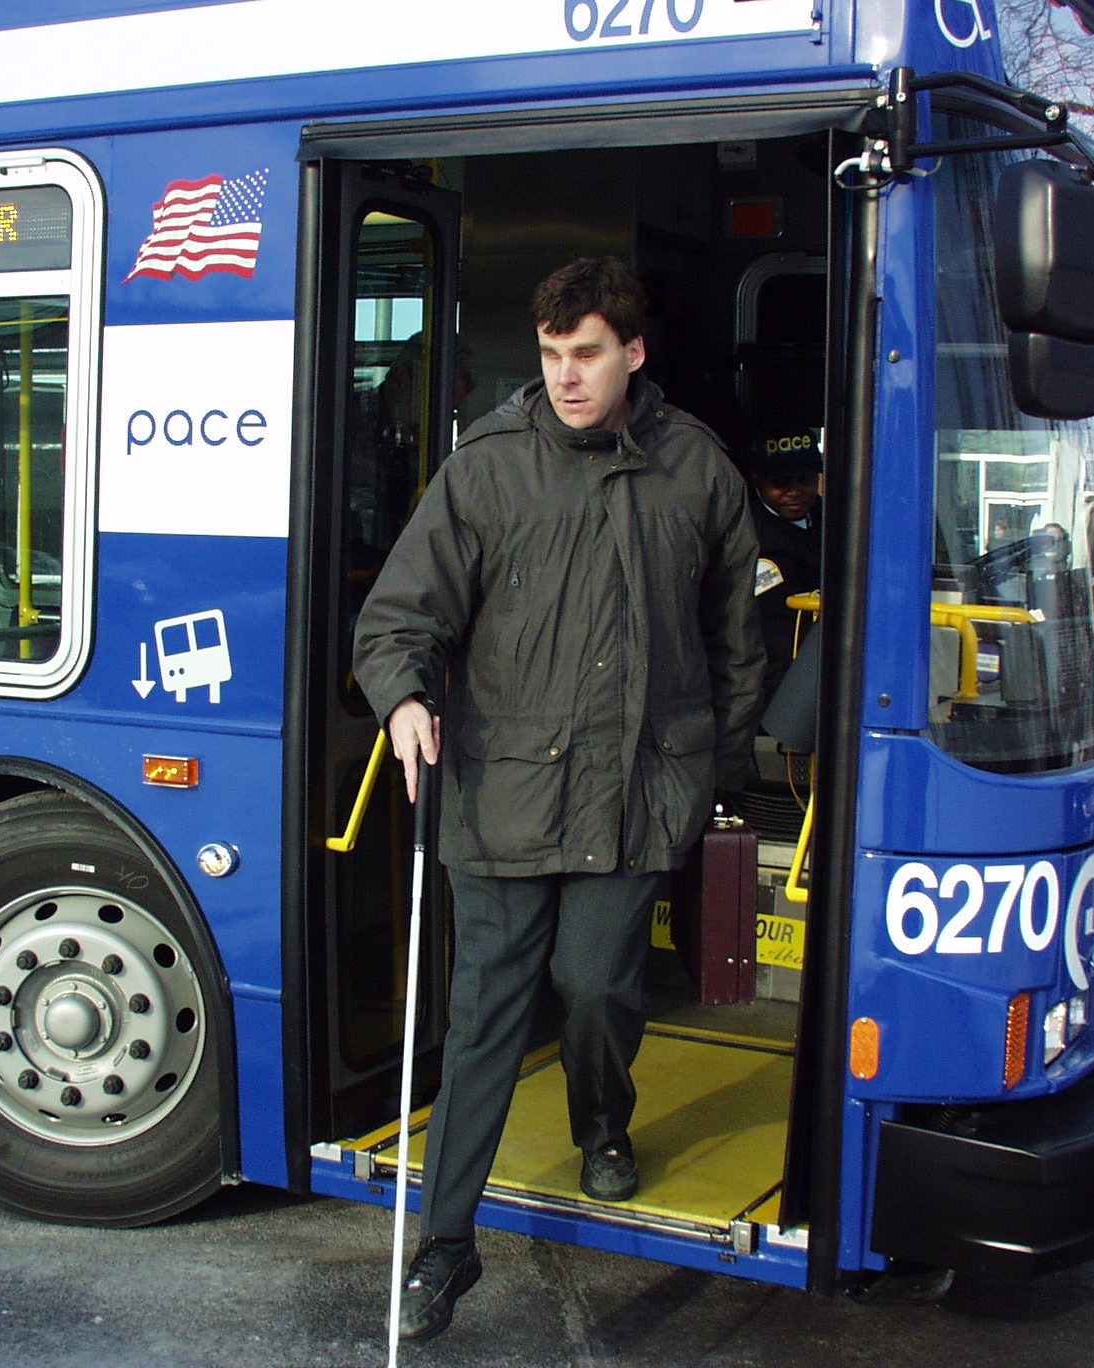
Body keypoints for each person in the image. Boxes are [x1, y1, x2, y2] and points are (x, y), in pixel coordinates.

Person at [353, 257, 764, 1342]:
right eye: (549, 355)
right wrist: (399, 699)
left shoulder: (697, 473)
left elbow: (737, 644)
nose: (566, 376)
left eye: (585, 354)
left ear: (631, 353)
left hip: (633, 794)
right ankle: (443, 1247)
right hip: (497, 793)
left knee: (595, 989)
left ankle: (603, 1125)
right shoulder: (484, 468)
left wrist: (698, 766)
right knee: (482, 1015)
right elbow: (398, 617)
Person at [738, 426, 822, 696]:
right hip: (767, 686)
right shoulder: (742, 534)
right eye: (780, 482)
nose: (794, 491)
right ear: (757, 478)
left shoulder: (838, 520)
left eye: (804, 479)